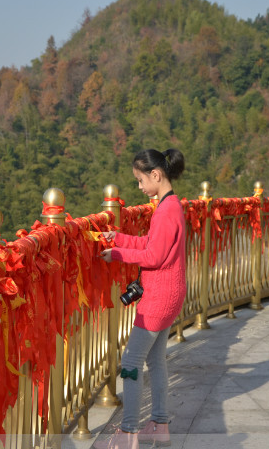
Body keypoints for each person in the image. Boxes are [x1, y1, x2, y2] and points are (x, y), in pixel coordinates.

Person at [96, 148, 187, 449]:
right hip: (170, 295)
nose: (139, 187)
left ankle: (128, 431)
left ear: (156, 175)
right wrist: (119, 238)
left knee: (131, 361)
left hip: (159, 298)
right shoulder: (170, 206)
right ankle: (159, 425)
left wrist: (118, 254)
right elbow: (152, 243)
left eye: (140, 180)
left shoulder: (166, 210)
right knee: (155, 360)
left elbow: (154, 255)